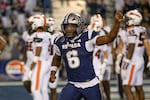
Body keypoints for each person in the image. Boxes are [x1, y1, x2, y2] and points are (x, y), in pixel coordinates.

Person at [49, 11, 123, 100]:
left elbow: (109, 38)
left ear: (79, 27)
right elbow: (57, 58)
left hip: (90, 84)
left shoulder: (88, 37)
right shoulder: (60, 41)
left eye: (72, 26)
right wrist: (53, 72)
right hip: (73, 84)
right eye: (67, 26)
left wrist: (117, 23)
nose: (68, 29)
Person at [116, 9, 150, 100]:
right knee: (138, 86)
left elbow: (131, 47)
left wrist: (124, 65)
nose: (125, 20)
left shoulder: (131, 30)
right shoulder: (142, 29)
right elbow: (147, 44)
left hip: (131, 61)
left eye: (128, 19)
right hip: (140, 60)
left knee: (126, 86)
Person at [88, 14, 112, 100]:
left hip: (96, 64)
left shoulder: (101, 33)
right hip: (89, 64)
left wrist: (104, 63)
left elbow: (105, 50)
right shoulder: (88, 33)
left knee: (98, 87)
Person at [28, 14, 51, 100]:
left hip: (40, 63)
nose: (30, 25)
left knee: (35, 89)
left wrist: (31, 67)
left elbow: (38, 50)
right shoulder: (48, 35)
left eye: (32, 23)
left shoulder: (38, 35)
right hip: (47, 62)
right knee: (43, 89)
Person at [46, 17, 61, 100]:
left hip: (51, 63)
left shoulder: (57, 36)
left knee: (52, 88)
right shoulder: (58, 36)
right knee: (51, 89)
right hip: (50, 63)